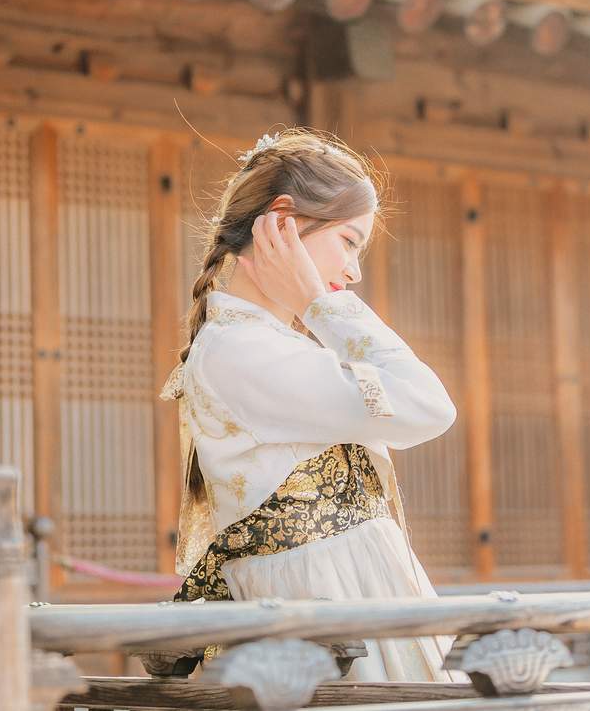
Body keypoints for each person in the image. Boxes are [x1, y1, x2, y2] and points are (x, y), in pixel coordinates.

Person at [158, 127, 464, 682]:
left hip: (357, 598)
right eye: (349, 241)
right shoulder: (240, 351)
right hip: (326, 608)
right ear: (282, 224)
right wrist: (317, 302)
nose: (354, 271)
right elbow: (428, 406)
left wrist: (315, 309)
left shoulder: (273, 345)